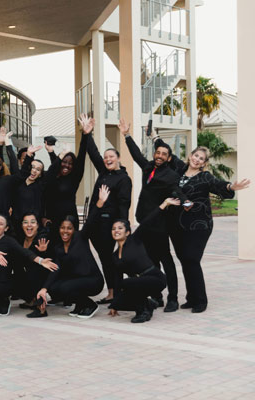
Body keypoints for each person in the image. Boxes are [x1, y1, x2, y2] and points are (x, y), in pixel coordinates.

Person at [167, 146, 250, 313]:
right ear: (190, 155)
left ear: (204, 163)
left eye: (201, 158)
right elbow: (168, 151)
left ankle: (200, 301)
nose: (197, 159)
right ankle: (191, 298)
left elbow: (218, 185)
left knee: (192, 259)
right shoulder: (179, 170)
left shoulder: (205, 177)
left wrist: (231, 187)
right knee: (185, 261)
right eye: (196, 155)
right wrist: (153, 136)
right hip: (177, 225)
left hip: (199, 225)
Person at [119, 120, 189, 312]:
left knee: (166, 261)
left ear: (168, 158)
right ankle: (157, 297)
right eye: (158, 153)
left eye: (163, 154)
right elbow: (135, 155)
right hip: (144, 224)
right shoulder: (149, 167)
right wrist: (126, 135)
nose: (159, 156)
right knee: (150, 262)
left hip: (159, 226)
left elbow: (178, 192)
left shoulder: (171, 176)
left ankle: (172, 298)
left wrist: (186, 202)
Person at [29, 187, 106, 319]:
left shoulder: (80, 238)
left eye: (69, 228)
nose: (65, 231)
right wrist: (44, 289)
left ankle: (89, 305)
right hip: (77, 280)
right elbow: (56, 269)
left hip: (93, 280)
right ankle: (80, 305)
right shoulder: (59, 248)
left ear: (74, 229)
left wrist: (100, 202)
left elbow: (91, 221)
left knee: (65, 287)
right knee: (54, 288)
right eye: (63, 228)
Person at [82, 114, 132, 305]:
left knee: (110, 259)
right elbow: (93, 152)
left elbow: (124, 204)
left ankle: (115, 292)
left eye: (111, 156)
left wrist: (122, 227)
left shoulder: (124, 179)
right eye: (105, 157)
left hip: (109, 226)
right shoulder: (103, 172)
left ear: (118, 158)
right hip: (94, 223)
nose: (107, 159)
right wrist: (87, 134)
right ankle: (112, 291)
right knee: (105, 259)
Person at [106, 191, 176, 323]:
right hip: (138, 283)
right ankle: (148, 304)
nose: (116, 230)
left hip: (155, 278)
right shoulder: (115, 256)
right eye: (113, 228)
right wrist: (115, 305)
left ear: (127, 232)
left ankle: (143, 312)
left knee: (126, 284)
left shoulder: (134, 240)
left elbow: (147, 222)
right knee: (118, 301)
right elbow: (117, 279)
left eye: (120, 228)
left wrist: (164, 204)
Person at [0, 215, 58, 316]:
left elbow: (25, 252)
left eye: (1, 224)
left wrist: (41, 260)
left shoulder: (9, 241)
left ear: (6, 228)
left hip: (2, 282)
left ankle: (3, 299)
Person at [42, 132, 87, 231]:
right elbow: (54, 167)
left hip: (68, 221)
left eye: (70, 163)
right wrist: (51, 152)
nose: (67, 165)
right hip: (52, 221)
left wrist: (85, 134)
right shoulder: (53, 175)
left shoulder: (74, 178)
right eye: (64, 162)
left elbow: (82, 155)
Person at [16, 213, 51, 310]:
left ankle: (39, 300)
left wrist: (44, 252)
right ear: (22, 225)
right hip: (28, 277)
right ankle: (30, 300)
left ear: (38, 225)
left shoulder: (41, 239)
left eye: (32, 222)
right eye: (25, 222)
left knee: (34, 267)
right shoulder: (20, 239)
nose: (29, 225)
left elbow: (48, 262)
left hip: (44, 278)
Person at [10, 145, 46, 237]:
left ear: (41, 174)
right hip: (16, 226)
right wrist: (28, 155)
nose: (34, 171)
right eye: (32, 167)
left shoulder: (40, 186)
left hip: (33, 229)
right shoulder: (18, 182)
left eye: (38, 170)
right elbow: (13, 162)